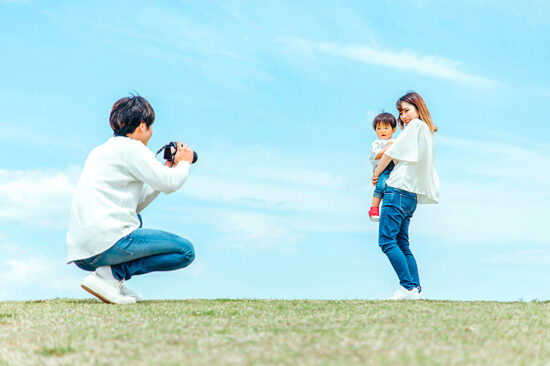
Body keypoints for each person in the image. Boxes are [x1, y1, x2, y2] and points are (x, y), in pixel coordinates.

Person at [66, 95, 196, 304]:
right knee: (186, 251)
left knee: (137, 219)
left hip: (82, 252)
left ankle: (111, 280)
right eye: (150, 126)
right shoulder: (133, 149)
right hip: (106, 245)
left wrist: (163, 172)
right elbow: (170, 183)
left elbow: (134, 206)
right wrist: (184, 163)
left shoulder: (100, 151)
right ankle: (113, 274)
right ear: (143, 125)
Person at [371, 92, 439, 300]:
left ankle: (407, 286)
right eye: (400, 113)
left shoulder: (415, 127)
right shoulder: (427, 131)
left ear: (418, 109)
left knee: (386, 241)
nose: (403, 117)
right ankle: (416, 290)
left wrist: (376, 173)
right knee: (402, 243)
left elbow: (392, 152)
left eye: (407, 110)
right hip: (411, 196)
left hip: (397, 191)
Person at [368, 113, 397, 221]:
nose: (382, 131)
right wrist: (389, 148)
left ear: (393, 129)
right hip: (383, 168)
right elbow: (376, 155)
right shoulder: (377, 143)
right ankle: (374, 208)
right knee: (381, 186)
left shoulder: (395, 141)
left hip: (393, 167)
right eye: (379, 128)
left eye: (386, 127)